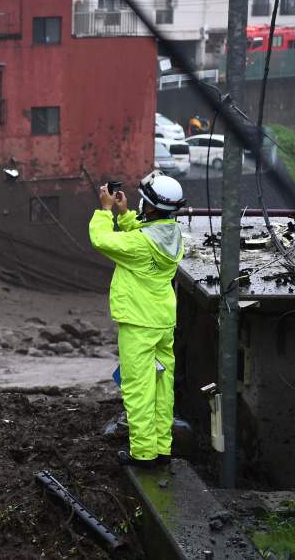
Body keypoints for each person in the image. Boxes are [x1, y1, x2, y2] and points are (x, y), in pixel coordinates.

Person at [89, 172, 186, 467]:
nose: (141, 207)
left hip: (139, 323)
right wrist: (126, 213)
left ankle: (143, 454)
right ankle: (162, 448)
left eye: (144, 204)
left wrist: (105, 210)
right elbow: (144, 234)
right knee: (161, 387)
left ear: (153, 209)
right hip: (162, 321)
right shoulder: (173, 234)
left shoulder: (140, 245)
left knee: (138, 388)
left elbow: (102, 240)